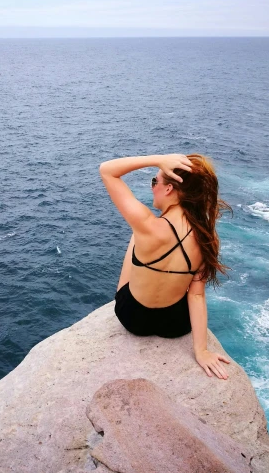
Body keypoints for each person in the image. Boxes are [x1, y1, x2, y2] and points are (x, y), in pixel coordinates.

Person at [99, 153, 233, 380]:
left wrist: (158, 160)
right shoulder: (207, 236)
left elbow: (107, 170)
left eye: (155, 181)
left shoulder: (147, 225)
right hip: (176, 325)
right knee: (143, 236)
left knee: (137, 235)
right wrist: (201, 351)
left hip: (133, 318)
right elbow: (197, 296)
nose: (153, 187)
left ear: (169, 189)